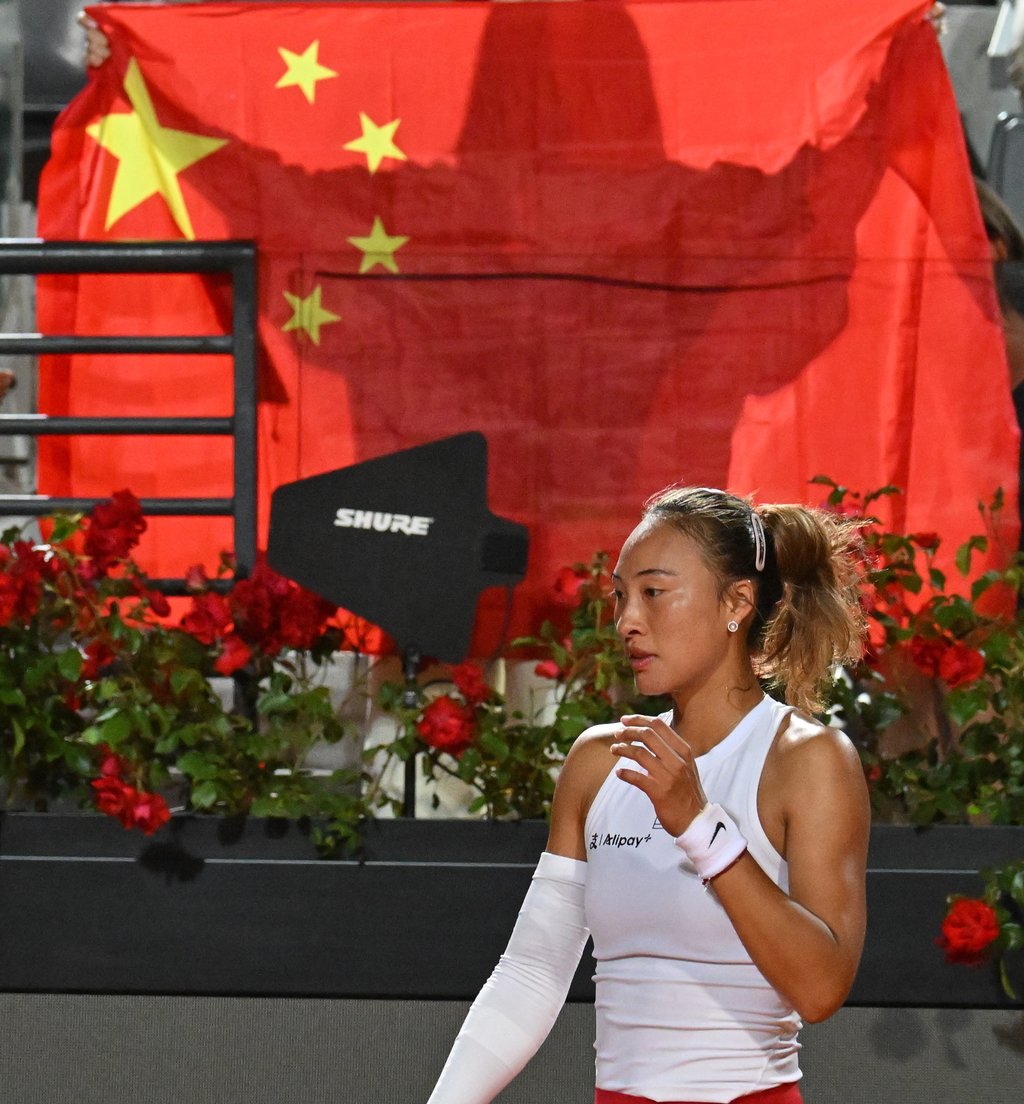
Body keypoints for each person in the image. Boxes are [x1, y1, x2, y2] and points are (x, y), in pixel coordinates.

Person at [427, 486, 870, 1104]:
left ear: (736, 601)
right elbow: (530, 974)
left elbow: (821, 988)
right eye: (619, 596)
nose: (627, 620)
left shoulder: (809, 759)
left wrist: (699, 825)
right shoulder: (597, 761)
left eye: (654, 592)